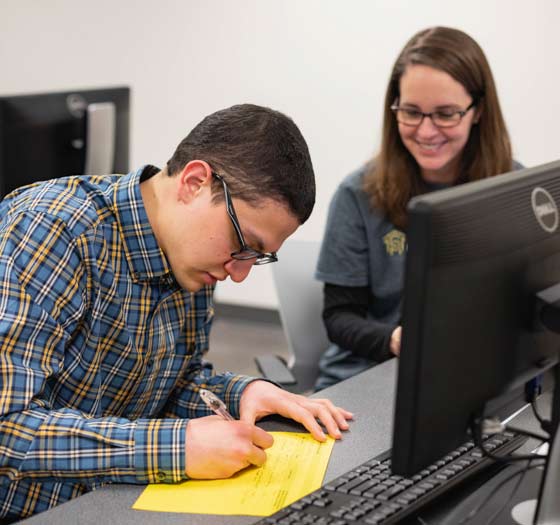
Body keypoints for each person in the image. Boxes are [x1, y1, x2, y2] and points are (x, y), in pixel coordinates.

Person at [0, 103, 353, 522]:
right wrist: (176, 448)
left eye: (257, 257)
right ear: (194, 182)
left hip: (117, 500)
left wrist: (239, 393)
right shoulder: (50, 232)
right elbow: (7, 428)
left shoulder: (195, 259)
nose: (238, 274)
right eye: (244, 244)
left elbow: (170, 385)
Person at [314, 26, 522, 391]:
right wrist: (396, 340)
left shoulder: (515, 190)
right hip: (365, 380)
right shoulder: (358, 193)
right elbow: (339, 316)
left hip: (473, 381)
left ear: (478, 111)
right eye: (411, 112)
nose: (426, 132)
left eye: (445, 114)